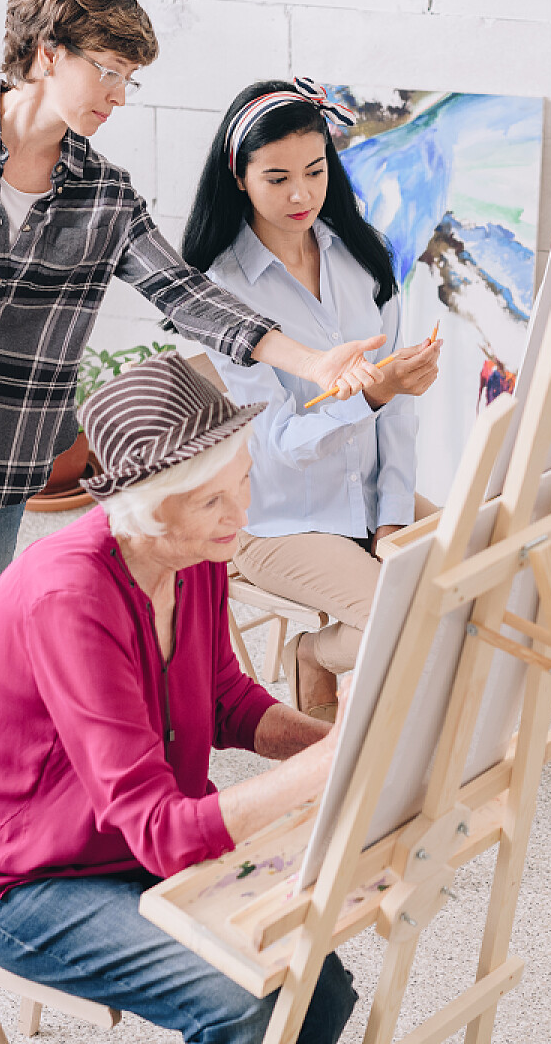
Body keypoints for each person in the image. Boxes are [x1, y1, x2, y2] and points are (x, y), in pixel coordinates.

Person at [0, 0, 383, 911]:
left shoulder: (102, 197)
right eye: (107, 68)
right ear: (46, 53)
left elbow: (186, 296)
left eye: (129, 78)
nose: (117, 95)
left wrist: (314, 363)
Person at [0, 352, 358, 1044]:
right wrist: (315, 773)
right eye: (213, 500)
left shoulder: (194, 553)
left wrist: (342, 744)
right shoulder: (70, 599)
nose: (240, 514)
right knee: (248, 1003)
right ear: (146, 510)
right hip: (26, 880)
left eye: (243, 484)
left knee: (318, 984)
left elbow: (222, 697)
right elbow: (162, 832)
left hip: (130, 847)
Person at [181, 79, 441, 722]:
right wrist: (369, 395)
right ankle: (317, 654)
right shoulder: (222, 292)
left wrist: (392, 517)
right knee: (410, 622)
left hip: (369, 495)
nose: (301, 195)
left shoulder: (364, 257)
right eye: (277, 178)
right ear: (238, 177)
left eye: (315, 172)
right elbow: (276, 444)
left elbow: (398, 411)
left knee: (480, 577)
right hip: (276, 517)